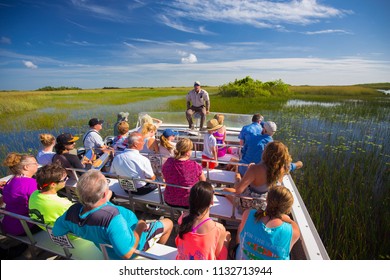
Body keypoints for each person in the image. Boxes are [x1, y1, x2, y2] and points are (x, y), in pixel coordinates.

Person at [52, 169, 173, 260]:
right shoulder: (112, 218)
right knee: (168, 223)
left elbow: (57, 231)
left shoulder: (72, 211)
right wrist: (140, 227)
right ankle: (151, 251)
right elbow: (126, 253)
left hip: (106, 248)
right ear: (104, 194)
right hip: (134, 245)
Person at [225, 141, 293, 213]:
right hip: (264, 206)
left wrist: (238, 178)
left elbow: (238, 190)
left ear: (266, 153)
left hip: (248, 207)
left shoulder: (255, 169)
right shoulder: (281, 171)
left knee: (225, 190)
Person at [235, 185, 300, 260]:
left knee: (241, 227)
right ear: (288, 208)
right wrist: (279, 215)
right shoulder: (293, 231)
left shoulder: (248, 214)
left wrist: (270, 212)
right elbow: (291, 222)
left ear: (267, 199)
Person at [176, 181, 231, 260]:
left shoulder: (182, 218)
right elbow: (217, 254)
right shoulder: (218, 228)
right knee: (227, 235)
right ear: (211, 202)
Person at [1, 153, 40, 236]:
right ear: (26, 167)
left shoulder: (10, 181)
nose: (37, 165)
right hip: (25, 227)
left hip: (9, 224)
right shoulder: (32, 184)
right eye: (35, 163)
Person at [161, 138, 206, 208]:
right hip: (189, 201)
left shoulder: (168, 162)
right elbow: (203, 182)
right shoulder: (195, 165)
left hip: (169, 200)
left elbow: (164, 176)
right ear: (187, 152)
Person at [28, 163, 73, 228]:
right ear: (53, 185)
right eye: (65, 179)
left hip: (49, 230)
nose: (67, 179)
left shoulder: (34, 194)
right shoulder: (63, 204)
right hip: (72, 236)